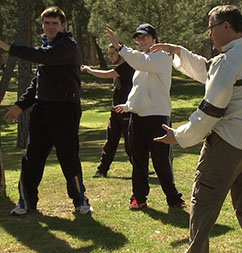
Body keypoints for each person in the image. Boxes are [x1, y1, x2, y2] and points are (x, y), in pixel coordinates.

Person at [151, 5, 242, 252]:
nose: (210, 34)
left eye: (211, 28)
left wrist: (179, 135)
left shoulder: (229, 60)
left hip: (230, 143)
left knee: (204, 203)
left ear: (226, 26)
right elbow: (212, 71)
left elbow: (211, 111)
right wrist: (178, 52)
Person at [1, 6, 92, 215]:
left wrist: (9, 48)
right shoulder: (47, 47)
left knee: (68, 156)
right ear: (42, 25)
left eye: (54, 23)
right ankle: (26, 203)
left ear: (63, 25)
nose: (50, 27)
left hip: (65, 110)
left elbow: (44, 56)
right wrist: (20, 106)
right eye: (46, 23)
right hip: (42, 110)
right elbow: (38, 82)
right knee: (32, 157)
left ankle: (80, 201)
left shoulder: (67, 45)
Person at [104, 24, 185, 209]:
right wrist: (127, 106)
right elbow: (138, 89)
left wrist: (120, 46)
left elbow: (141, 61)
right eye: (139, 38)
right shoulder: (141, 63)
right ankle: (138, 198)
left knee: (161, 160)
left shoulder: (162, 57)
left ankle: (173, 198)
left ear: (155, 39)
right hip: (137, 117)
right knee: (138, 160)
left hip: (157, 117)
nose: (142, 41)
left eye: (145, 37)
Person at [81, 44, 135, 178]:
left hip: (126, 111)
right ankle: (102, 169)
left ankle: (140, 168)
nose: (110, 56)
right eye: (109, 53)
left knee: (131, 143)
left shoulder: (127, 66)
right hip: (116, 110)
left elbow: (106, 74)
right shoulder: (121, 67)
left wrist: (89, 70)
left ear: (120, 54)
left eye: (112, 53)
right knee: (111, 141)